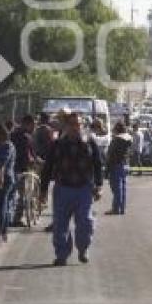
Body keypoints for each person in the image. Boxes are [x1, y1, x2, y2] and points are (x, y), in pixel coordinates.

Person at [39, 109, 104, 266]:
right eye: (72, 124)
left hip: (84, 190)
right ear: (66, 126)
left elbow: (98, 164)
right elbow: (47, 168)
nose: (76, 127)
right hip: (62, 189)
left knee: (85, 223)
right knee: (60, 225)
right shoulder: (57, 144)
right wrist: (43, 190)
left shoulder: (90, 142)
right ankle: (62, 255)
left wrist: (99, 185)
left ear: (82, 126)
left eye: (78, 124)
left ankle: (83, 249)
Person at [9, 114, 37, 226]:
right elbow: (28, 155)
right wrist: (34, 161)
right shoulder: (26, 137)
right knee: (23, 195)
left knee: (11, 195)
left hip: (11, 168)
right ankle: (17, 219)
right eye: (33, 125)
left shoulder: (12, 134)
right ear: (27, 124)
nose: (34, 127)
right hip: (22, 169)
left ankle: (8, 217)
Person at [106, 122, 132, 215]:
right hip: (125, 164)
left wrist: (107, 168)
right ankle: (122, 208)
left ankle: (116, 208)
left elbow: (110, 154)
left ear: (117, 129)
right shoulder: (129, 138)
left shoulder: (117, 140)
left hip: (116, 165)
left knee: (116, 188)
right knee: (123, 188)